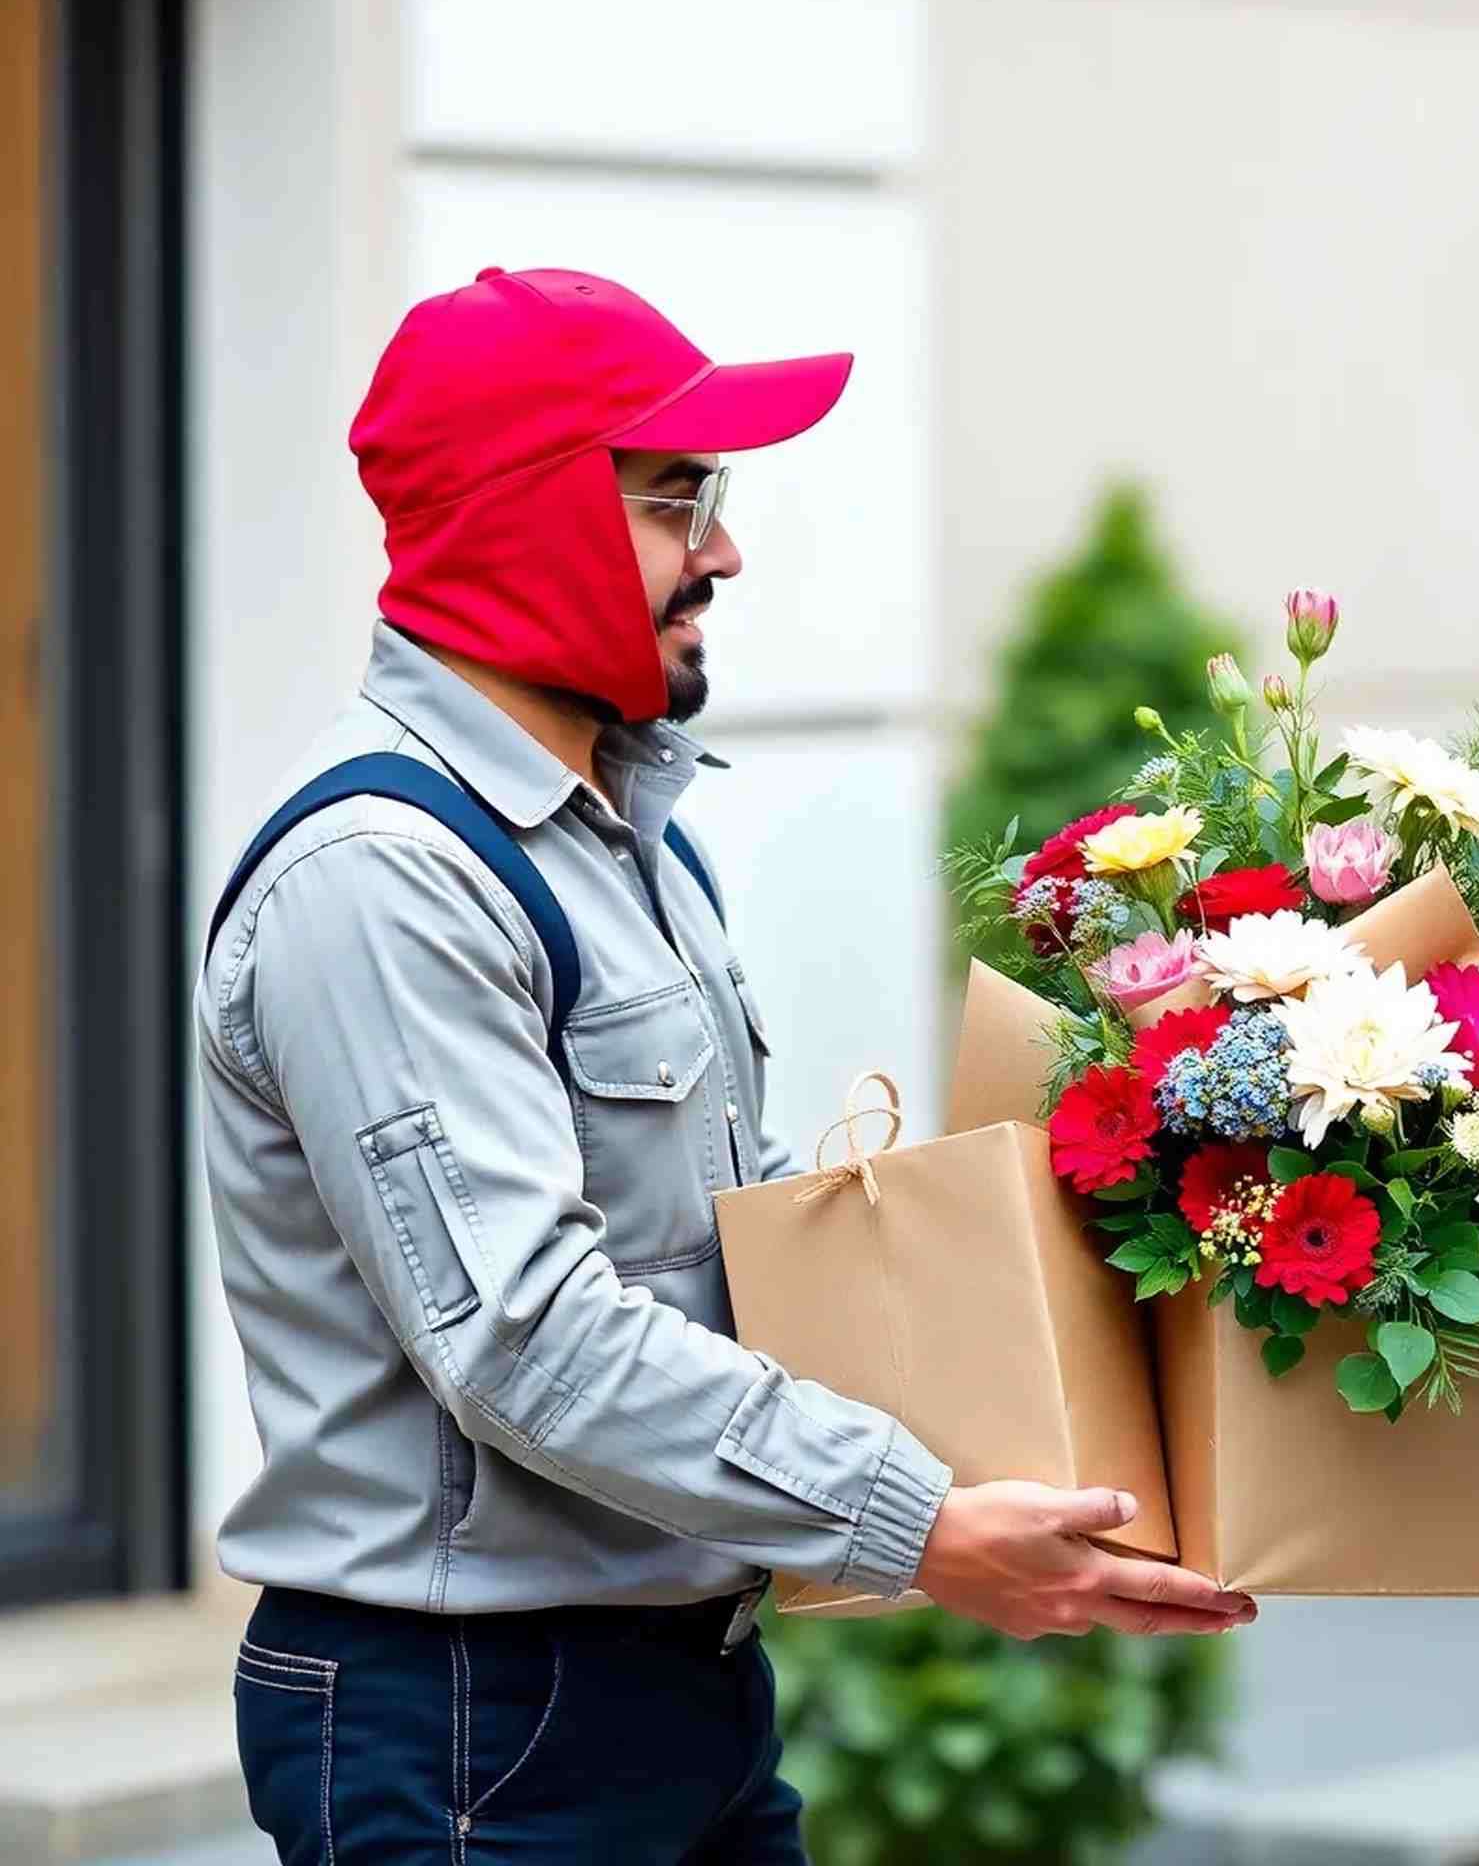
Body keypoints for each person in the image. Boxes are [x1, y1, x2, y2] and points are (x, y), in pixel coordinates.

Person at [195, 266, 1256, 1865]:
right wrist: (917, 1520)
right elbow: (528, 1344)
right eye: (675, 499)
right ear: (523, 519)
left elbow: (716, 1266)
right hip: (472, 1721)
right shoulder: (382, 878)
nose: (725, 552)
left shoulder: (629, 846)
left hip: (679, 1684)